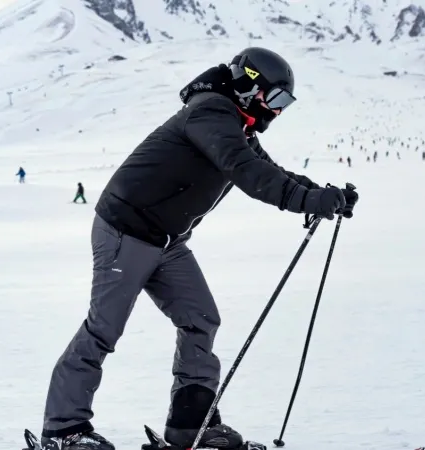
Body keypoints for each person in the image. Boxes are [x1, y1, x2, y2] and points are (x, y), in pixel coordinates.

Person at [38, 47, 359, 450]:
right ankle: (64, 430)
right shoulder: (210, 114)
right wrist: (305, 201)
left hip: (168, 241)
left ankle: (191, 426)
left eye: (285, 104)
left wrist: (320, 193)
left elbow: (269, 168)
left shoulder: (236, 125)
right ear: (247, 85)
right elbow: (245, 170)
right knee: (104, 329)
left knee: (201, 320)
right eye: (275, 99)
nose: (277, 111)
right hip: (126, 231)